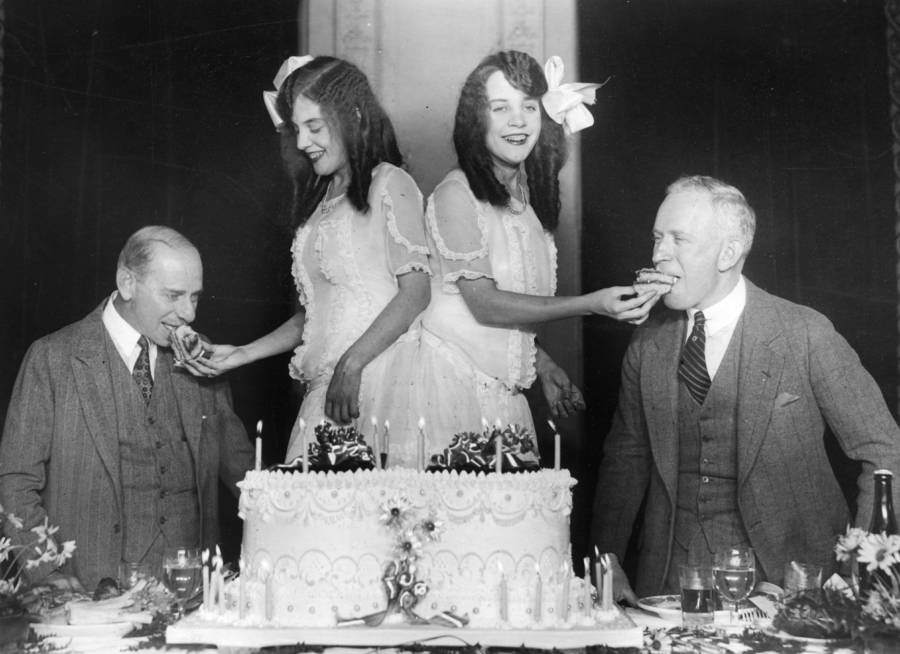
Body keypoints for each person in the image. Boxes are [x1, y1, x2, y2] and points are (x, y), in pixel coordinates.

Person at [590, 175, 900, 603]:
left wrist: (859, 570)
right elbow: (625, 459)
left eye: (679, 239)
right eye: (657, 238)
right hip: (666, 588)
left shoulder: (805, 333)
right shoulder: (648, 342)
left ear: (729, 253)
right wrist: (606, 558)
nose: (659, 254)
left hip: (794, 589)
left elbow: (885, 452)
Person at [391, 51, 657, 463]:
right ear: (476, 120)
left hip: (501, 390)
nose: (518, 121)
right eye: (501, 108)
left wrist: (543, 365)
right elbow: (485, 304)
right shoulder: (456, 193)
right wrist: (591, 304)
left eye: (528, 107)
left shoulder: (526, 196)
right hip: (447, 387)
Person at [183, 56, 431, 463]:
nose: (301, 142)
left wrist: (351, 365)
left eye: (314, 127)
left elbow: (416, 292)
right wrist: (241, 353)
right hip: (329, 390)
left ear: (352, 116)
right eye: (297, 129)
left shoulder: (391, 182)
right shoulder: (318, 204)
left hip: (386, 382)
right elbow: (313, 317)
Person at [0, 226, 253, 592]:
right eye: (174, 295)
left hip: (189, 595)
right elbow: (15, 482)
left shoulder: (203, 355)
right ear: (127, 283)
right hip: (88, 599)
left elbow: (243, 470)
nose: (188, 314)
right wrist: (47, 571)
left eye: (195, 297)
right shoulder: (52, 358)